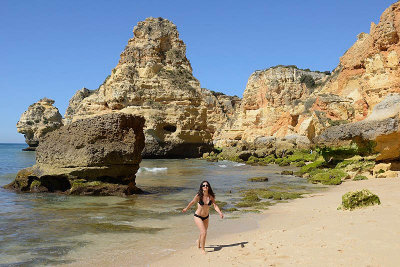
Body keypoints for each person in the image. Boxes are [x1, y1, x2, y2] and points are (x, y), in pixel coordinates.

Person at [182, 180, 224, 254]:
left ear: (208, 187)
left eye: (206, 185)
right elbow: (192, 202)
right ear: (201, 187)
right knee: (204, 232)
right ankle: (202, 249)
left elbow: (215, 205)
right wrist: (186, 208)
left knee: (203, 232)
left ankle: (198, 242)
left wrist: (220, 212)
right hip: (198, 216)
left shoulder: (211, 196)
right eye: (203, 185)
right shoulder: (199, 196)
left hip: (206, 217)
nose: (205, 186)